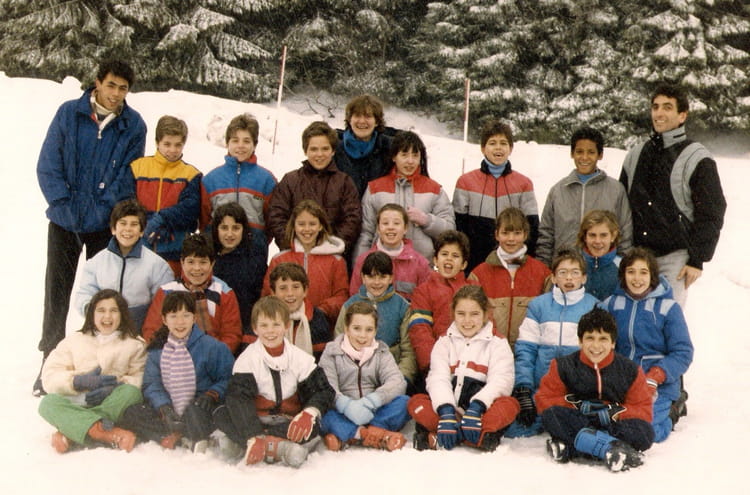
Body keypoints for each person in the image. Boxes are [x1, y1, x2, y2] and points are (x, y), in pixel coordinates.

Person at [35, 59, 147, 396]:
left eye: (123, 88)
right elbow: (48, 164)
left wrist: (104, 211)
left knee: (103, 295)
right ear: (97, 82)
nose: (116, 93)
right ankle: (50, 360)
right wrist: (63, 205)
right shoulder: (69, 113)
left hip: (103, 224)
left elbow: (127, 176)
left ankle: (101, 362)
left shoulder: (133, 125)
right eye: (111, 85)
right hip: (65, 220)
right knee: (57, 292)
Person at [620, 83, 726, 308]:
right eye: (655, 107)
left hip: (674, 258)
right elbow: (621, 204)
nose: (659, 113)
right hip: (635, 258)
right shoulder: (636, 154)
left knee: (666, 318)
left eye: (667, 107)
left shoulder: (697, 157)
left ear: (682, 115)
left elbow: (711, 211)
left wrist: (697, 259)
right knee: (631, 320)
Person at [214, 296, 336, 468]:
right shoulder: (247, 359)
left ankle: (250, 444)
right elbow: (238, 398)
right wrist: (254, 433)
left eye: (276, 325)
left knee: (313, 425)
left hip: (286, 420)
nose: (270, 331)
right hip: (256, 418)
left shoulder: (299, 358)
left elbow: (324, 390)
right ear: (255, 328)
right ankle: (276, 447)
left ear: (286, 326)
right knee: (221, 413)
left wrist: (309, 413)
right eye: (264, 325)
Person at [536, 307, 654, 472]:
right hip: (578, 420)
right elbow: (545, 399)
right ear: (580, 341)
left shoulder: (630, 370)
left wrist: (614, 412)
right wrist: (578, 406)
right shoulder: (563, 365)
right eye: (590, 338)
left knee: (645, 432)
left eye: (603, 339)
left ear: (613, 343)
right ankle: (610, 448)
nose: (596, 345)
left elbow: (643, 409)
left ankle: (571, 449)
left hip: (612, 425)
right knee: (552, 415)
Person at [407, 285, 519, 452]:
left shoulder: (498, 343)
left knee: (509, 405)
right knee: (416, 402)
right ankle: (475, 437)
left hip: (481, 412)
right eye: (461, 314)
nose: (467, 321)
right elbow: (438, 378)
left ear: (485, 314)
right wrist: (446, 411)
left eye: (474, 314)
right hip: (448, 412)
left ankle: (448, 435)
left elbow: (501, 381)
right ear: (453, 314)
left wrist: (477, 407)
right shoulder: (444, 341)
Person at [119, 291, 234, 452]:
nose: (180, 322)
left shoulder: (212, 347)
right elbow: (152, 384)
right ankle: (175, 436)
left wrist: (212, 394)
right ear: (164, 320)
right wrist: (163, 407)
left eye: (186, 315)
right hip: (170, 407)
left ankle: (195, 435)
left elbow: (228, 378)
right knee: (133, 412)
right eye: (173, 316)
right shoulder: (157, 349)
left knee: (195, 412)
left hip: (200, 405)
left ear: (194, 318)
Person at [600, 247, 693, 442]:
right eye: (631, 272)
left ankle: (672, 411)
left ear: (652, 276)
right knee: (606, 423)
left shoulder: (668, 308)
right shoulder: (610, 304)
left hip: (656, 382)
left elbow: (683, 352)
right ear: (623, 275)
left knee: (644, 430)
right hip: (622, 380)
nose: (637, 279)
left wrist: (656, 375)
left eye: (643, 272)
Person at [38, 289, 146, 454]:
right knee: (48, 403)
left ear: (122, 314)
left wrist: (115, 387)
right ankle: (102, 431)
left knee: (131, 393)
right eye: (101, 310)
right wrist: (76, 382)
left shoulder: (135, 343)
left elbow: (141, 377)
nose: (107, 317)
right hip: (78, 402)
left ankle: (74, 430)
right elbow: (50, 375)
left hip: (111, 404)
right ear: (92, 314)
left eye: (114, 311)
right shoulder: (74, 340)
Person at [506, 248, 599, 438]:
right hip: (543, 388)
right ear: (554, 278)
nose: (569, 278)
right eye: (562, 272)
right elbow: (526, 349)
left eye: (575, 272)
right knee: (515, 430)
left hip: (576, 392)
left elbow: (600, 355)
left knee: (574, 428)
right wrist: (524, 389)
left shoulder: (594, 307)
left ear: (584, 278)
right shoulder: (539, 306)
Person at [319, 302, 410, 451]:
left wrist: (372, 401)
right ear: (347, 328)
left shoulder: (381, 352)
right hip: (343, 412)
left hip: (373, 412)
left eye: (369, 330)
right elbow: (326, 386)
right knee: (324, 415)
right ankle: (369, 435)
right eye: (356, 328)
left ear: (375, 331)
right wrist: (346, 405)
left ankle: (354, 435)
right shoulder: (332, 353)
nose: (362, 335)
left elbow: (397, 382)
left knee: (404, 402)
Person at [536, 126, 632, 267]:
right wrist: (544, 268)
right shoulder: (558, 191)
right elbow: (546, 235)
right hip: (565, 270)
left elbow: (625, 234)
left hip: (603, 269)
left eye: (591, 152)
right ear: (572, 153)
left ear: (600, 155)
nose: (584, 157)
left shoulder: (616, 190)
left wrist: (620, 266)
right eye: (579, 152)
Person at [453, 120, 539, 273]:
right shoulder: (466, 182)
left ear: (510, 148)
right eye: (492, 143)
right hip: (475, 262)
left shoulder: (524, 184)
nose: (498, 147)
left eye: (503, 143)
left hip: (513, 262)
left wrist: (527, 265)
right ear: (483, 148)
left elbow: (532, 229)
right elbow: (458, 228)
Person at [74, 199, 173, 332]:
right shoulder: (96, 262)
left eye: (134, 224)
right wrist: (93, 313)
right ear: (113, 229)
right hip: (103, 333)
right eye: (123, 223)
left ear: (142, 231)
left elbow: (163, 303)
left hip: (140, 333)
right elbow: (85, 293)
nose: (128, 229)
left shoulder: (158, 266)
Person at [356, 130, 455, 262]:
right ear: (394, 157)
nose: (410, 161)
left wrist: (426, 220)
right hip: (381, 267)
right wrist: (360, 266)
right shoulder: (375, 188)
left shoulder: (434, 190)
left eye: (415, 155)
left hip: (420, 266)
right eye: (404, 155)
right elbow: (365, 233)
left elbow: (450, 231)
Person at [267, 121, 361, 252]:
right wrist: (293, 244)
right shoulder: (290, 181)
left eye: (325, 149)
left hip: (331, 254)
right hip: (295, 254)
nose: (319, 154)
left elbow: (352, 218)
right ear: (305, 150)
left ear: (333, 151)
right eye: (314, 149)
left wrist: (331, 245)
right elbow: (277, 216)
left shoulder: (344, 182)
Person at [142, 233, 242, 355]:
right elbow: (151, 331)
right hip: (173, 357)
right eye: (191, 262)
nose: (196, 268)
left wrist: (212, 357)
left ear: (212, 263)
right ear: (182, 262)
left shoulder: (224, 293)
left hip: (212, 357)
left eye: (203, 262)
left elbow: (232, 335)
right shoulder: (166, 292)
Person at [468, 207, 550, 349]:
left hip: (528, 351)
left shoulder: (542, 273)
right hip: (489, 350)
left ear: (525, 235)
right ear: (497, 235)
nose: (511, 239)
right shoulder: (479, 274)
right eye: (505, 233)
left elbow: (548, 318)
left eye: (517, 233)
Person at [131, 115, 202, 277]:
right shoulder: (138, 167)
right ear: (157, 142)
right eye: (167, 144)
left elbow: (190, 209)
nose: (173, 150)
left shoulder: (191, 174)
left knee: (169, 290)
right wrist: (146, 224)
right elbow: (127, 201)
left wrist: (163, 220)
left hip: (173, 250)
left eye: (178, 145)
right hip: (140, 247)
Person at [335, 252, 416, 385]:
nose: (377, 282)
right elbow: (339, 342)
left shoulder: (402, 306)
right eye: (371, 277)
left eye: (383, 277)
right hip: (355, 376)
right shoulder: (350, 305)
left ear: (391, 278)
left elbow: (408, 350)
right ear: (363, 277)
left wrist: (401, 379)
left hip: (391, 374)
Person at [263, 199, 349, 323]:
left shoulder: (336, 261)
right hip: (285, 323)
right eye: (301, 224)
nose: (307, 229)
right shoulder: (279, 259)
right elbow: (268, 294)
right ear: (294, 226)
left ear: (320, 226)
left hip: (322, 323)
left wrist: (320, 311)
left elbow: (341, 296)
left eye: (312, 224)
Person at [408, 230, 477, 376]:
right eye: (444, 254)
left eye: (455, 256)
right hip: (437, 364)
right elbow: (420, 329)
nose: (449, 259)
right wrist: (432, 363)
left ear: (464, 264)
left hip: (471, 363)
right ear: (435, 260)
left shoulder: (474, 289)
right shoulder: (424, 291)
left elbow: (486, 325)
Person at [200, 113, 277, 242]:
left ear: (254, 144)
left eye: (246, 141)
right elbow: (204, 220)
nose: (240, 145)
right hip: (218, 249)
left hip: (254, 248)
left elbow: (271, 221)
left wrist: (260, 240)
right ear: (227, 143)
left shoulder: (267, 180)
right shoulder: (211, 180)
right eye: (235, 140)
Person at [211, 202, 267, 344]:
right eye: (224, 228)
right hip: (214, 329)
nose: (230, 234)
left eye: (236, 228)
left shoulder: (254, 260)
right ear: (216, 229)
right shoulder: (209, 258)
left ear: (244, 229)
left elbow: (260, 299)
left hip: (246, 329)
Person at [350, 203, 432, 300]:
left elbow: (425, 300)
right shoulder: (363, 261)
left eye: (396, 223)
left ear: (405, 228)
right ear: (378, 228)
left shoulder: (420, 263)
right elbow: (355, 297)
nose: (390, 227)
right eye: (385, 223)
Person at [268, 262, 332, 362]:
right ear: (273, 293)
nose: (290, 293)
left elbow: (324, 360)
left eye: (296, 287)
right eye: (283, 288)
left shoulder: (318, 319)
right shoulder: (265, 318)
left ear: (305, 291)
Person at [333, 94, 394, 198]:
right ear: (349, 120)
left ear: (377, 121)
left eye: (368, 116)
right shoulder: (333, 148)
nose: (362, 121)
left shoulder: (389, 149)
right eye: (357, 116)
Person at [578, 210, 623, 301]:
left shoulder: (623, 266)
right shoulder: (574, 265)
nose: (597, 241)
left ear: (613, 236)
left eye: (603, 235)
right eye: (592, 235)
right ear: (585, 237)